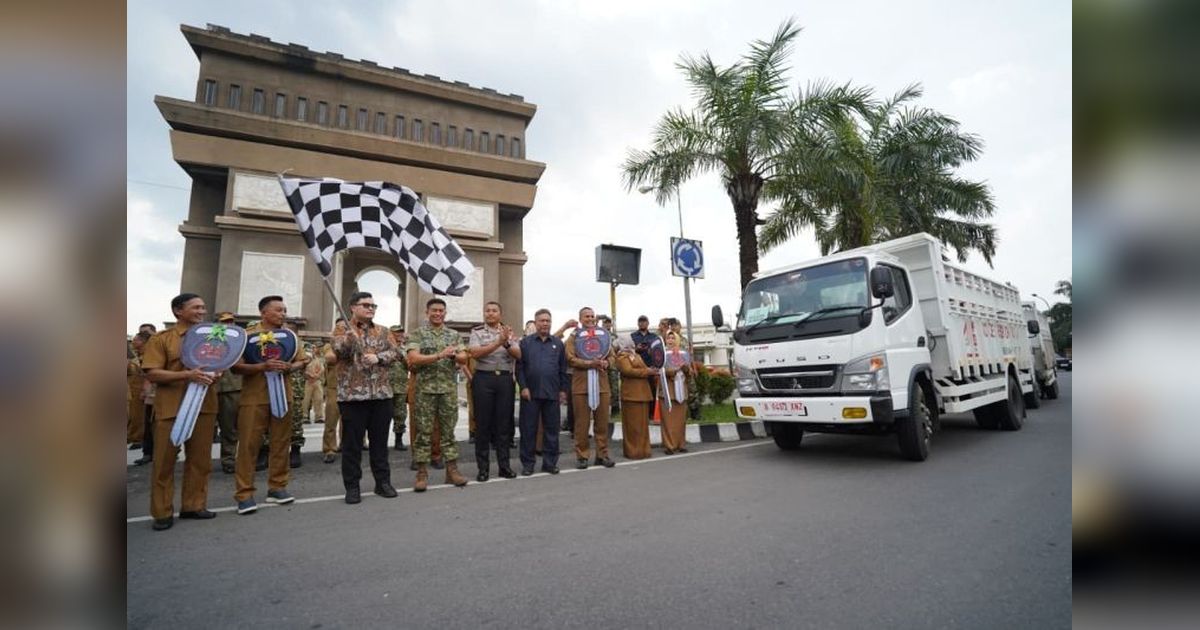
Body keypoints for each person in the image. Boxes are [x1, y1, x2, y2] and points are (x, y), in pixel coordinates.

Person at [140, 293, 221, 531]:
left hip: (203, 408)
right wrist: (187, 375)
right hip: (171, 408)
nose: (201, 311)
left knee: (200, 461)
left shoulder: (212, 337)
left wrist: (216, 374)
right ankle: (162, 512)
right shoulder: (161, 340)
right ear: (178, 311)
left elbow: (218, 364)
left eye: (203, 307)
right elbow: (152, 373)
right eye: (195, 307)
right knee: (164, 463)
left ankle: (194, 506)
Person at [231, 296, 309, 514]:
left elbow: (302, 361)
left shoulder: (289, 336)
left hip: (283, 395)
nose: (283, 314)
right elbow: (236, 367)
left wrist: (289, 367)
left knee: (281, 443)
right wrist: (262, 367)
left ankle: (277, 487)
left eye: (284, 310)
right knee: (248, 446)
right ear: (263, 312)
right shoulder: (247, 336)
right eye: (278, 310)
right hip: (254, 398)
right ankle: (244, 494)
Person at [332, 292, 403, 504]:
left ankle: (383, 483)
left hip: (381, 395)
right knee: (352, 446)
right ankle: (352, 487)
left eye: (373, 305)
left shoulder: (383, 331)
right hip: (353, 398)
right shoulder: (341, 329)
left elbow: (397, 353)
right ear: (353, 307)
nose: (371, 308)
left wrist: (379, 357)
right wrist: (349, 338)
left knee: (380, 443)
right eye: (366, 305)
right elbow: (338, 351)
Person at [406, 298, 469, 491]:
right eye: (434, 310)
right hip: (425, 391)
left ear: (445, 313)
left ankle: (452, 471)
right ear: (427, 313)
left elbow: (464, 357)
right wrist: (439, 355)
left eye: (441, 310)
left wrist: (455, 355)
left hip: (448, 391)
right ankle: (422, 473)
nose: (438, 313)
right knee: (423, 433)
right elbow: (413, 357)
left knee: (448, 432)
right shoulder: (418, 333)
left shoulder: (453, 335)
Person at [467, 301, 521, 482]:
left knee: (503, 425)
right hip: (484, 378)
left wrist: (506, 343)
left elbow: (518, 354)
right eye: (487, 311)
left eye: (494, 311)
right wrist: (498, 342)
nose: (490, 314)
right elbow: (474, 353)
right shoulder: (477, 332)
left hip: (504, 379)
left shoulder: (508, 331)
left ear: (500, 313)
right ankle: (483, 469)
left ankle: (504, 467)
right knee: (483, 425)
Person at [517, 309, 568, 476]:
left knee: (552, 430)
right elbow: (520, 368)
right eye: (542, 321)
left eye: (548, 320)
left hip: (552, 393)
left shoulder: (558, 344)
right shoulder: (525, 343)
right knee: (528, 430)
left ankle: (550, 463)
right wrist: (523, 387)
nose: (545, 323)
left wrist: (562, 390)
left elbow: (562, 369)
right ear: (535, 322)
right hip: (530, 394)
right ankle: (528, 464)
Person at [565, 307, 616, 469]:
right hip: (581, 386)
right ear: (580, 319)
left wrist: (607, 363)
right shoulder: (574, 337)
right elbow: (570, 358)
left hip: (602, 385)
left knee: (602, 423)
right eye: (586, 316)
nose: (590, 319)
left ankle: (602, 455)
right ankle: (582, 456)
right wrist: (589, 363)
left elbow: (612, 355)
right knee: (582, 424)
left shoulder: (603, 335)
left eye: (592, 316)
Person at [615, 336, 655, 459]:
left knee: (643, 425)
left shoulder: (636, 355)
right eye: (629, 342)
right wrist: (647, 371)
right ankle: (633, 452)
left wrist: (648, 370)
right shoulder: (621, 357)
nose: (632, 343)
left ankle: (644, 450)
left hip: (642, 393)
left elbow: (640, 368)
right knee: (633, 426)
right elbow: (628, 371)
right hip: (631, 395)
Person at [213, 312, 242, 474]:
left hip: (234, 387)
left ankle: (229, 459)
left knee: (230, 427)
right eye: (223, 323)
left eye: (231, 322)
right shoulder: (209, 341)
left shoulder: (240, 341)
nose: (228, 326)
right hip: (210, 388)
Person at [659, 330, 692, 454]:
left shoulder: (684, 353)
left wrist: (685, 369)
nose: (671, 340)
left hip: (681, 391)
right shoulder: (661, 353)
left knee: (680, 420)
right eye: (668, 338)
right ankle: (669, 446)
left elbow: (690, 374)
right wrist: (673, 371)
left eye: (673, 338)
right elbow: (659, 370)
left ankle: (681, 444)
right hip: (667, 391)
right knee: (668, 421)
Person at [320, 322, 344, 464]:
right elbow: (330, 358)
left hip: (350, 387)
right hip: (334, 388)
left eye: (345, 328)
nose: (342, 330)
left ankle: (345, 445)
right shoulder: (330, 345)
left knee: (348, 421)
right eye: (339, 327)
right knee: (331, 420)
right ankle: (329, 449)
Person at [127, 331, 151, 448]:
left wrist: (144, 390)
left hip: (142, 389)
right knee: (132, 414)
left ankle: (138, 438)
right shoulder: (135, 355)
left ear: (143, 342)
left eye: (136, 340)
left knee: (139, 415)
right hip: (132, 389)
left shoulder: (148, 355)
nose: (133, 342)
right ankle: (132, 435)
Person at [388, 325, 410, 451]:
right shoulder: (384, 347)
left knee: (400, 414)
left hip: (401, 387)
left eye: (401, 333)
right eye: (396, 333)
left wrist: (401, 355)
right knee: (383, 416)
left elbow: (410, 364)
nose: (399, 335)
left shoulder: (405, 348)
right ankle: (380, 442)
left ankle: (398, 440)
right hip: (385, 387)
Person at [598, 315, 621, 415]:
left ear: (611, 324)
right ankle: (602, 409)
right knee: (601, 387)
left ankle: (615, 409)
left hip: (612, 364)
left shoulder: (614, 336)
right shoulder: (599, 334)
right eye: (605, 323)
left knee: (614, 387)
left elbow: (618, 349)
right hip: (600, 363)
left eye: (608, 322)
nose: (607, 324)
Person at [301, 342, 325, 426]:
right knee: (306, 400)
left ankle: (319, 417)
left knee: (319, 399)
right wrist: (309, 375)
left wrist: (317, 375)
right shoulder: (305, 358)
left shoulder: (318, 358)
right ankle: (304, 416)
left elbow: (322, 368)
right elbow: (302, 369)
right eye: (313, 348)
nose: (314, 350)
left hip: (317, 381)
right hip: (307, 381)